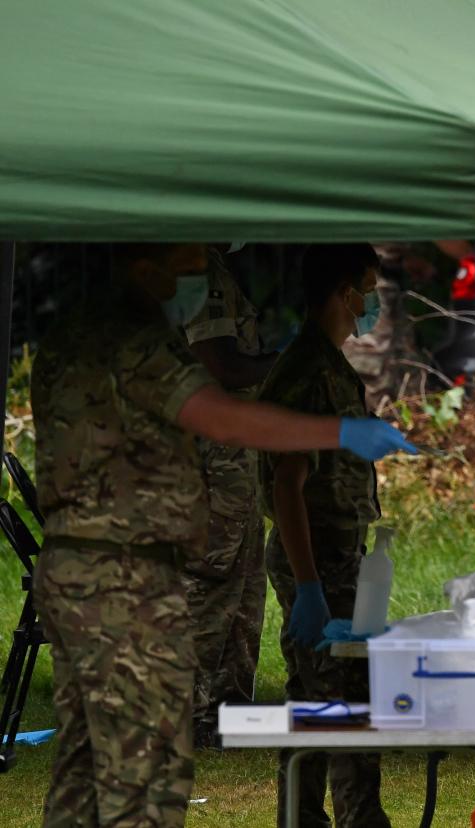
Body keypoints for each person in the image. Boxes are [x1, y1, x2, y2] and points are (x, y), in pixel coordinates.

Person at [30, 243, 416, 827]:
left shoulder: (70, 333)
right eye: (183, 262)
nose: (194, 277)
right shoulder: (132, 336)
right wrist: (338, 431)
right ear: (140, 261)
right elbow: (220, 415)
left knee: (85, 764)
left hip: (77, 568)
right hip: (123, 576)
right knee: (148, 769)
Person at [258, 244, 393, 827]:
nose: (372, 302)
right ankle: (358, 820)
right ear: (344, 293)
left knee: (314, 701)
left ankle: (303, 817)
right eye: (367, 287)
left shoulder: (327, 366)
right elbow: (288, 485)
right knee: (340, 701)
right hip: (317, 557)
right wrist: (309, 585)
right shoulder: (312, 372)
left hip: (334, 555)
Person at [180, 244, 278, 747]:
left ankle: (230, 711)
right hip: (216, 454)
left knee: (245, 582)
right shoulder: (199, 269)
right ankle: (187, 713)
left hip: (237, 452)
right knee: (212, 578)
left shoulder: (217, 268)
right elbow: (218, 363)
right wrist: (281, 365)